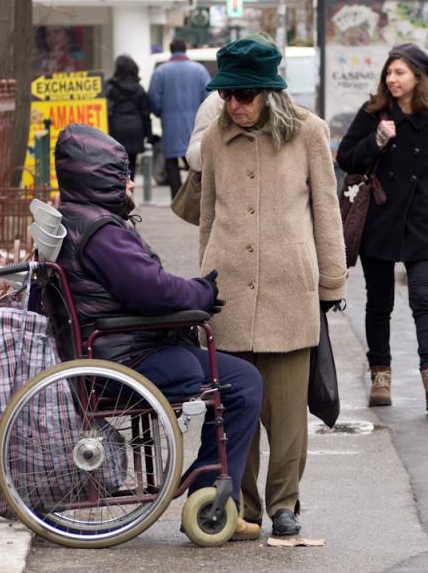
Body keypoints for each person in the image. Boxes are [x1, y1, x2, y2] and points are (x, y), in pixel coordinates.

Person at [54, 122, 264, 541]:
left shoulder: (78, 219)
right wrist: (202, 293)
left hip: (113, 350)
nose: (130, 183)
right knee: (241, 384)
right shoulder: (102, 234)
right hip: (126, 359)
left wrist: (190, 297)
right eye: (121, 175)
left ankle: (208, 490)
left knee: (240, 377)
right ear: (99, 179)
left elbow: (145, 287)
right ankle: (211, 496)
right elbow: (151, 291)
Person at [198, 33, 347, 537]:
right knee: (237, 408)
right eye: (226, 94)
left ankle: (285, 503)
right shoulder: (215, 138)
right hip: (230, 291)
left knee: (286, 415)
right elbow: (207, 216)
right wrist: (204, 284)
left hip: (289, 287)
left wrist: (333, 279)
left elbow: (326, 211)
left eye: (244, 94)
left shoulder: (308, 132)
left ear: (269, 91)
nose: (234, 104)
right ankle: (244, 505)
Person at [336, 43, 428, 411]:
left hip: (423, 223)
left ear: (418, 76)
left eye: (400, 72)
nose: (392, 78)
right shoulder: (373, 113)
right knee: (379, 303)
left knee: (424, 298)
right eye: (389, 72)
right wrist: (376, 140)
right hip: (380, 221)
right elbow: (346, 156)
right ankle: (380, 374)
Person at [148, 39, 210, 198]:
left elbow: (153, 100)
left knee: (171, 161)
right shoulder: (200, 70)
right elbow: (208, 97)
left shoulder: (160, 72)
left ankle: (176, 197)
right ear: (185, 49)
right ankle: (196, 196)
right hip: (194, 123)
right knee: (194, 160)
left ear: (171, 50)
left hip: (170, 124)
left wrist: (160, 112)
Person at [106, 55, 152, 180]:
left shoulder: (111, 87)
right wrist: (149, 136)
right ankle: (129, 193)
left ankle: (118, 195)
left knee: (116, 166)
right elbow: (145, 113)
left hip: (116, 129)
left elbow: (106, 110)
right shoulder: (139, 88)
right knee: (131, 165)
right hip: (135, 131)